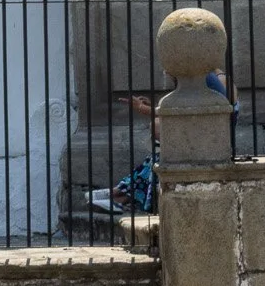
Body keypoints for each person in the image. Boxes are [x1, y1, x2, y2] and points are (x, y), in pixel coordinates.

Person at [89, 70, 236, 215]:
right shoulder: (202, 79)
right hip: (200, 144)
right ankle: (119, 194)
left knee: (157, 162)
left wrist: (142, 107)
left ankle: (119, 196)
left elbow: (179, 113)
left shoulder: (201, 79)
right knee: (153, 161)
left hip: (207, 149)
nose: (166, 71)